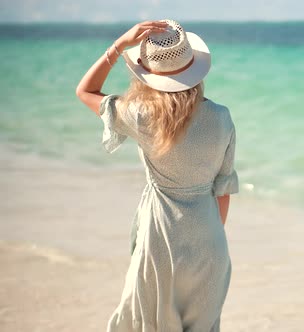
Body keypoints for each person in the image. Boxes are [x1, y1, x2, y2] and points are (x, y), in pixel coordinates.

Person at [76, 20, 239, 331]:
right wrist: (209, 239)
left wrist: (119, 45)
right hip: (210, 244)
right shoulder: (221, 117)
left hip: (160, 241)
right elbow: (224, 189)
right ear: (194, 68)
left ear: (148, 74)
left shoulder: (140, 115)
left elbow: (85, 91)